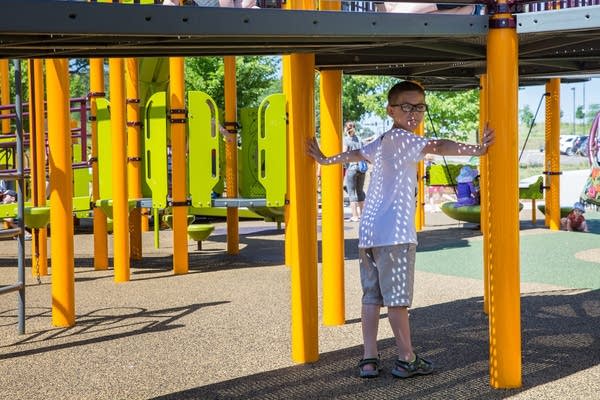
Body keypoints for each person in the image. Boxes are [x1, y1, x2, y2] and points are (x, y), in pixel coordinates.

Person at [306, 80, 494, 379]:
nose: (414, 113)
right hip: (395, 234)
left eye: (419, 107)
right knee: (397, 301)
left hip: (368, 234)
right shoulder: (406, 140)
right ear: (391, 110)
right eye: (406, 107)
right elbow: (439, 145)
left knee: (371, 297)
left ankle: (369, 359)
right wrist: (478, 149)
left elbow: (355, 155)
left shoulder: (381, 141)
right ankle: (406, 358)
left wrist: (326, 159)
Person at [343, 121, 367, 222]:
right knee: (360, 191)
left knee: (351, 193)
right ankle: (362, 214)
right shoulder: (360, 139)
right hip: (361, 168)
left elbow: (344, 154)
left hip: (352, 168)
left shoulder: (346, 140)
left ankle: (355, 216)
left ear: (346, 128)